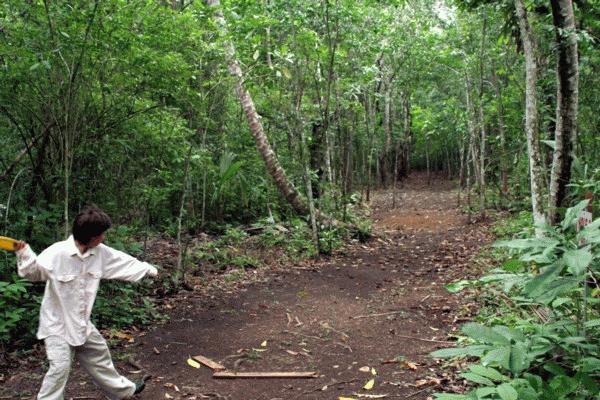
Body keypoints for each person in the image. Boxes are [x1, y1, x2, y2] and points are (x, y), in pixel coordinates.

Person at [15, 205, 158, 400]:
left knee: (100, 355)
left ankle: (124, 391)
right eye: (101, 234)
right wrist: (24, 253)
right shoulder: (57, 253)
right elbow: (33, 272)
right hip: (56, 324)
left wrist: (146, 269)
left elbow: (121, 261)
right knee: (59, 369)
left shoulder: (99, 252)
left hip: (81, 322)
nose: (104, 238)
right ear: (91, 236)